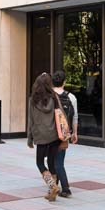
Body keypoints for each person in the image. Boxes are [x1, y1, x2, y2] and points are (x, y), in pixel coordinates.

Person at [27, 72, 61, 202]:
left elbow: (31, 120)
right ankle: (53, 190)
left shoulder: (33, 100)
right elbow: (59, 115)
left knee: (40, 162)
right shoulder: (54, 98)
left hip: (40, 134)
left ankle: (52, 186)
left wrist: (30, 137)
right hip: (54, 134)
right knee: (51, 163)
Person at [52, 70, 78, 198]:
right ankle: (56, 185)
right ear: (64, 82)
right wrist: (75, 133)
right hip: (64, 133)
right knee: (59, 160)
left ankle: (65, 188)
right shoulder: (71, 97)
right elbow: (75, 117)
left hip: (50, 134)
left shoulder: (48, 96)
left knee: (55, 162)